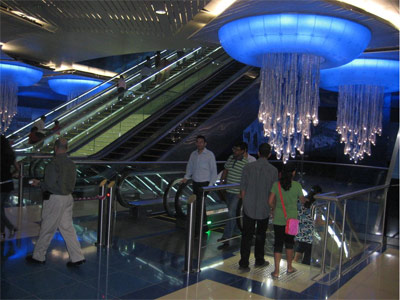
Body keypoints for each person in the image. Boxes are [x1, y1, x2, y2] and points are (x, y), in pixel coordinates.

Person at [26, 138, 85, 266]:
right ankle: (77, 256)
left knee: (47, 227)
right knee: (68, 228)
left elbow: (50, 185)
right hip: (68, 198)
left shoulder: (53, 164)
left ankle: (39, 256)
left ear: (55, 148)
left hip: (55, 199)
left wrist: (38, 183)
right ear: (67, 148)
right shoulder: (71, 163)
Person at [239, 143, 278, 271]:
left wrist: (245, 204)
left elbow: (243, 189)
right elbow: (273, 193)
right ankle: (259, 260)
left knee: (246, 236)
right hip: (264, 207)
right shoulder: (273, 170)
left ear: (258, 153)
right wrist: (273, 208)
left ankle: (244, 263)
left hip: (249, 206)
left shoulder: (247, 167)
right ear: (270, 154)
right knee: (261, 235)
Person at [269, 163, 307, 278]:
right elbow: (302, 200)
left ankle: (276, 271)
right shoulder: (297, 186)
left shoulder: (276, 185)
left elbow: (270, 201)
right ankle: (289, 267)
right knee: (290, 243)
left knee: (278, 244)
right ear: (293, 173)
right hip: (293, 219)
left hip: (279, 218)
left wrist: (275, 209)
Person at [182, 135, 217, 234]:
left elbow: (213, 171)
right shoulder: (193, 154)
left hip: (204, 183)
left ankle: (198, 229)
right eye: (197, 142)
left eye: (201, 142)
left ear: (205, 143)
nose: (199, 144)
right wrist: (186, 177)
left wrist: (210, 185)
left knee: (199, 206)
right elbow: (190, 166)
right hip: (195, 182)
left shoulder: (209, 154)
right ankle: (203, 227)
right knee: (199, 206)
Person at [218, 142, 249, 249]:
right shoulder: (231, 158)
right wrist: (222, 182)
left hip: (237, 193)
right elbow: (226, 170)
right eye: (234, 149)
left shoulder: (246, 163)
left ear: (243, 151)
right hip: (228, 191)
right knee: (233, 214)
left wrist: (242, 192)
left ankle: (226, 238)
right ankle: (237, 231)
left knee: (231, 214)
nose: (235, 151)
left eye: (237, 149)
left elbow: (246, 179)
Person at [294, 185, 322, 265]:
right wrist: (332, 222)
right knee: (307, 255)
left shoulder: (300, 200)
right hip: (309, 234)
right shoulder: (316, 205)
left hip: (298, 230)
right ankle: (303, 269)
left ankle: (291, 266)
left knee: (299, 250)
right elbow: (318, 221)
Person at [0, 135, 19, 239]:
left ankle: (10, 227)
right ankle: (2, 232)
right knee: (1, 209)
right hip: (8, 183)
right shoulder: (10, 154)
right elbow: (18, 168)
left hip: (1, 184)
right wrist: (11, 174)